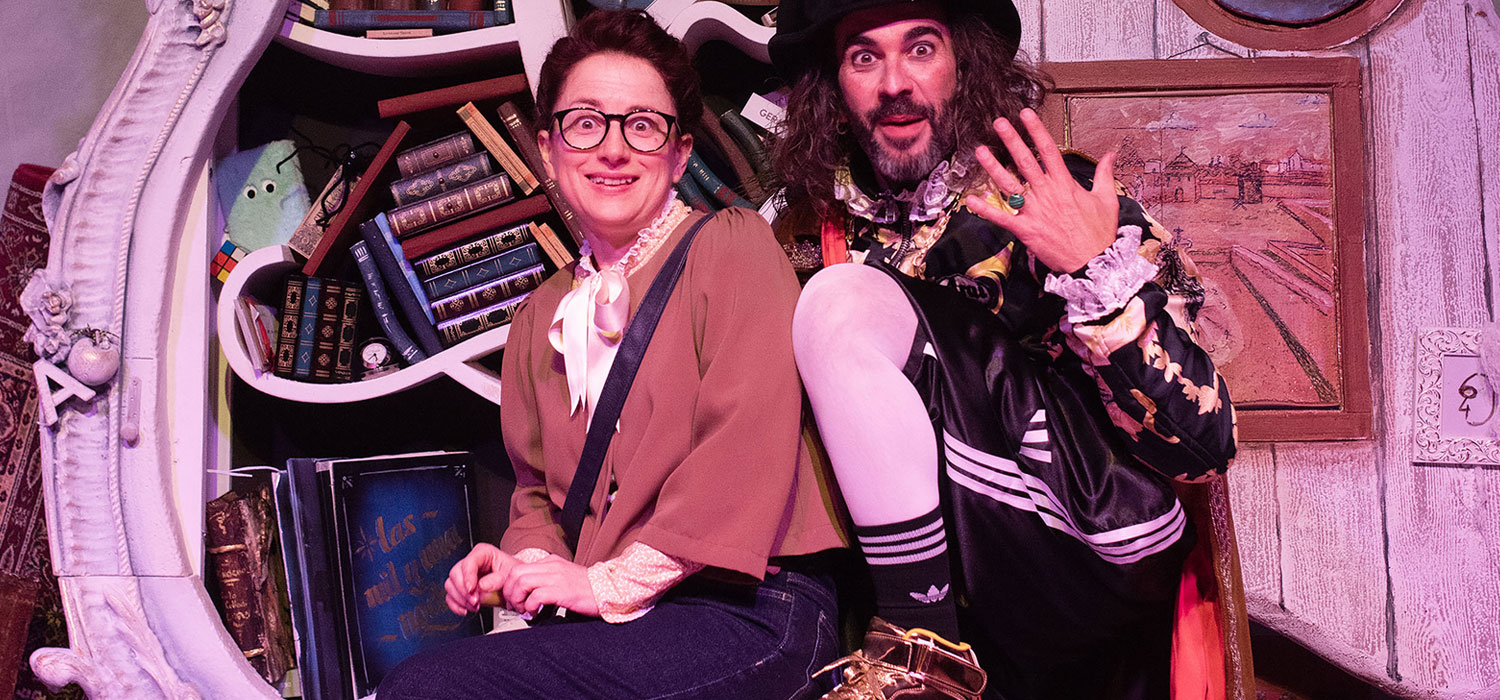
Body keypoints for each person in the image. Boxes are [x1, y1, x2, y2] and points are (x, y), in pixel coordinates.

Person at [767, 1, 1238, 698]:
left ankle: (917, 650)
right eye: (864, 57)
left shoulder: (1062, 196)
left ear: (965, 64)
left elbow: (1206, 447)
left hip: (1086, 557)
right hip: (945, 608)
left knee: (843, 299)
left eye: (921, 49)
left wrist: (1091, 270)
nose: (894, 83)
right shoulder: (804, 233)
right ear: (833, 87)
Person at [377, 11, 845, 699]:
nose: (613, 149)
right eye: (586, 123)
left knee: (430, 688)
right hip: (621, 624)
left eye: (643, 126)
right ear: (548, 149)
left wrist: (605, 583)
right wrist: (524, 569)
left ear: (680, 154)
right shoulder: (537, 318)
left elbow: (745, 439)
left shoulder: (733, 246)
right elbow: (537, 496)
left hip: (748, 607)